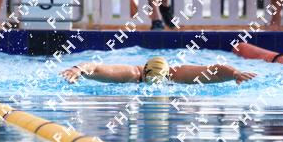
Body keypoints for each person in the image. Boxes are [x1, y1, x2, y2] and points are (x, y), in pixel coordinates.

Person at [62, 57, 257, 84]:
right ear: (144, 74)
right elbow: (96, 67)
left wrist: (235, 73)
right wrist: (77, 69)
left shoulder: (177, 74)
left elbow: (213, 69)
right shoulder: (131, 74)